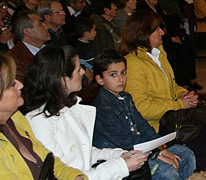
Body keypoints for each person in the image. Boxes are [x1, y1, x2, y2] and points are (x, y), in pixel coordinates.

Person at [120, 11, 206, 173]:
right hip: (156, 127)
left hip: (171, 117)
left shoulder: (158, 53)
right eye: (157, 29)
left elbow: (171, 85)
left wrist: (183, 93)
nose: (162, 32)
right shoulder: (133, 64)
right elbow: (140, 108)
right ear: (143, 34)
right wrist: (179, 103)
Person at [21, 45, 150, 179]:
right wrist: (121, 165)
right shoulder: (39, 121)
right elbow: (63, 174)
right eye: (78, 70)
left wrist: (118, 155)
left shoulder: (68, 106)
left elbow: (85, 152)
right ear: (63, 80)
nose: (83, 72)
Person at [0, 52, 86, 180]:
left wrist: (74, 177)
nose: (20, 84)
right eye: (11, 84)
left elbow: (48, 159)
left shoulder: (15, 118)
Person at [91, 50, 196, 180]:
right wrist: (157, 154)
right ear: (100, 79)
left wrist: (161, 147)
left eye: (123, 73)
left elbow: (142, 125)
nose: (120, 79)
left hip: (141, 147)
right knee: (166, 172)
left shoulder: (126, 97)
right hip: (122, 155)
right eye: (113, 75)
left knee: (186, 154)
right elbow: (125, 141)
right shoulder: (102, 108)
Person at [8, 10, 52, 82]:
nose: (47, 26)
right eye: (41, 24)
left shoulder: (50, 49)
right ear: (27, 32)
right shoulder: (14, 59)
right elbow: (26, 89)